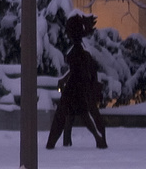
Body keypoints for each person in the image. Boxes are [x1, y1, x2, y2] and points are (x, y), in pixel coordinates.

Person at [47, 14, 109, 150]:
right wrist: (64, 79)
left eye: (68, 30)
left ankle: (53, 144)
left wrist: (67, 81)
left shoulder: (78, 50)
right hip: (77, 87)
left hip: (74, 88)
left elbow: (76, 70)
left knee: (67, 115)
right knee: (76, 115)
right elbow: (75, 70)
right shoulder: (80, 50)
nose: (66, 32)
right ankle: (67, 142)